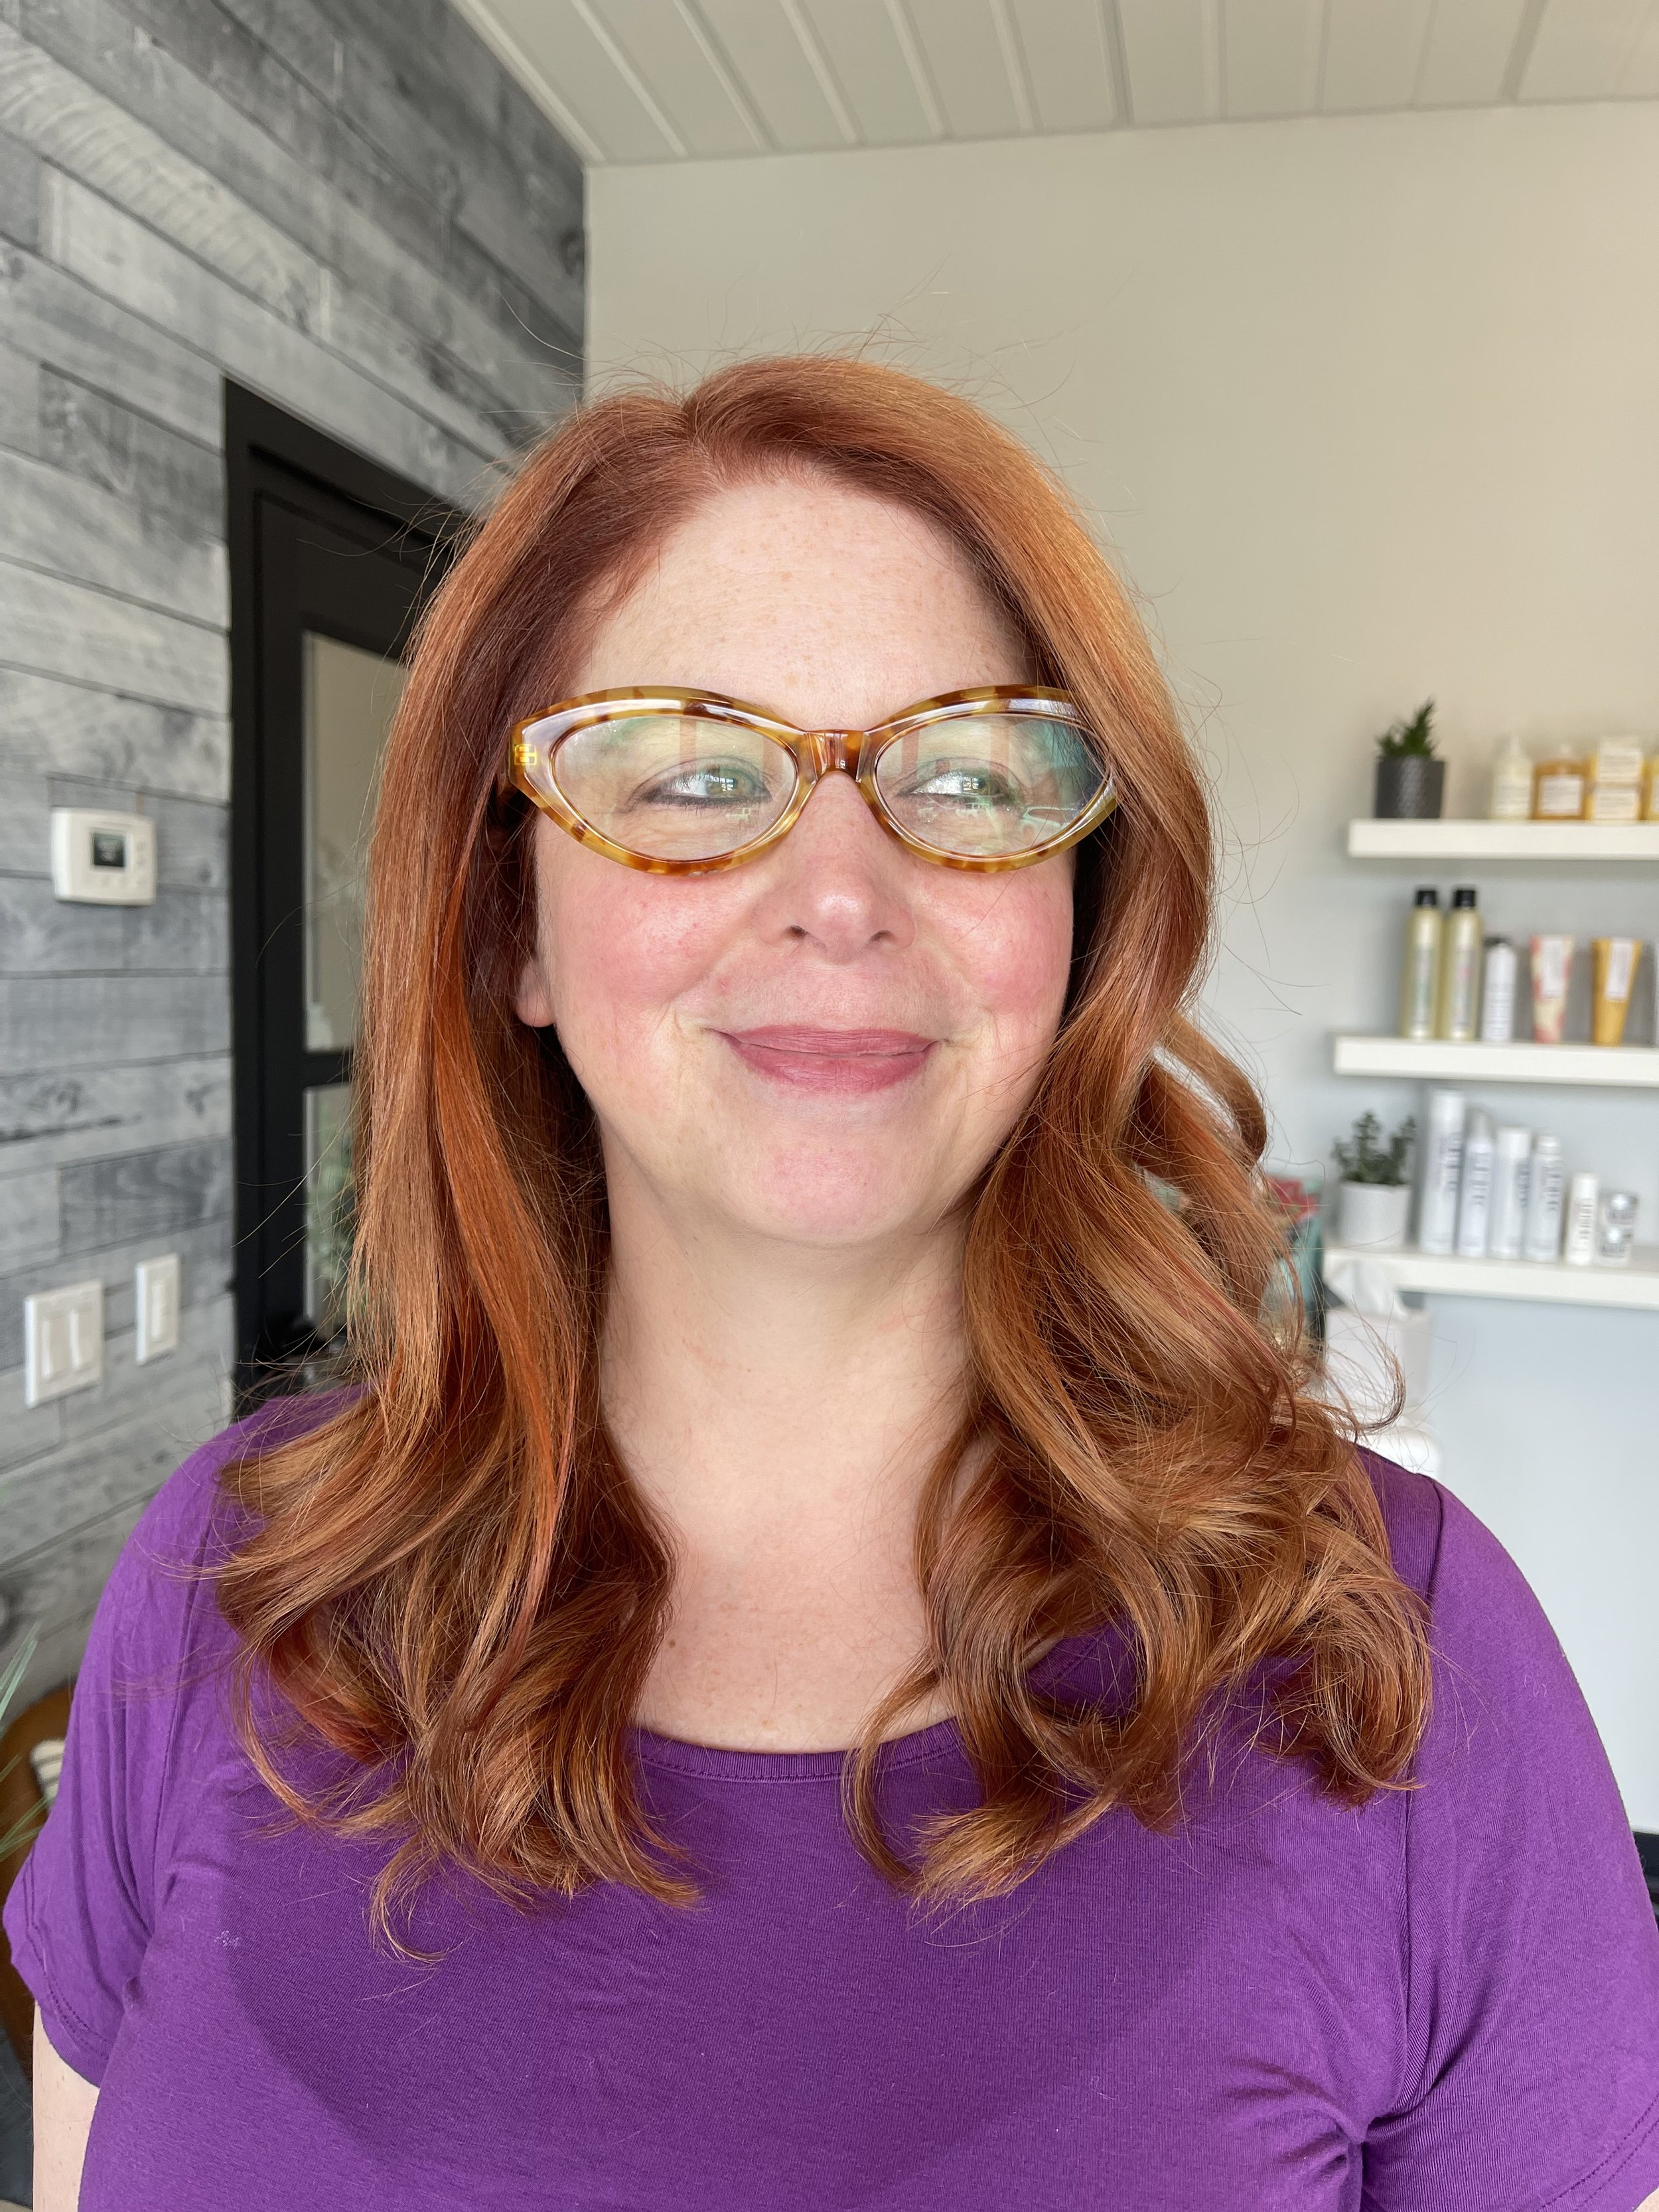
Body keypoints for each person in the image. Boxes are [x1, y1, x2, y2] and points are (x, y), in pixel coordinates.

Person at [12, 358, 1659, 2211]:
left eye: (963, 776)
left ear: (1076, 915)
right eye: (695, 777)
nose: (840, 890)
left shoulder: (1400, 1660)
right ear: (512, 930)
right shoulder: (228, 1585)